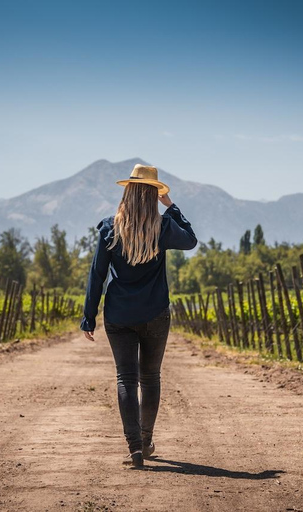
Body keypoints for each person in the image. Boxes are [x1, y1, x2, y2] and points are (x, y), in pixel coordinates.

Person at [80, 163, 197, 469]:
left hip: (119, 315)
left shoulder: (110, 227)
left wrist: (88, 317)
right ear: (153, 195)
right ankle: (145, 440)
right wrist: (171, 207)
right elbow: (191, 239)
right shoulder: (164, 227)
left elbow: (97, 275)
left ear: (128, 192)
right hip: (156, 314)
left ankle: (133, 447)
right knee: (151, 377)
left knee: (126, 379)